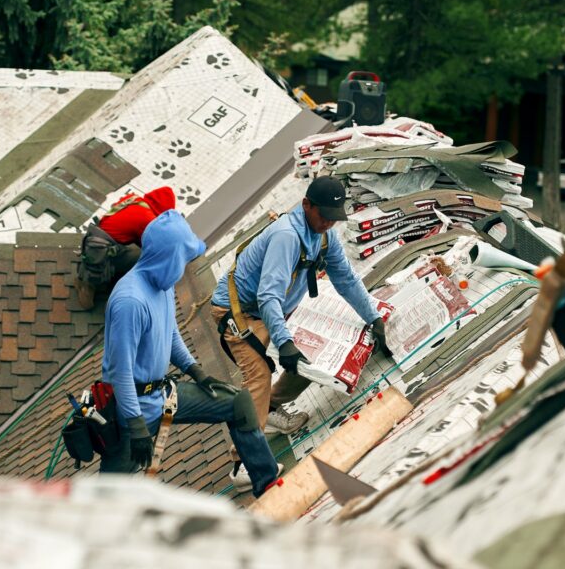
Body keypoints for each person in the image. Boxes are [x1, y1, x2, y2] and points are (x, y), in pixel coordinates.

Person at [210, 176, 386, 491]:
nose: (328, 223)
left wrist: (373, 318)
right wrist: (284, 342)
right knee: (258, 375)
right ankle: (243, 464)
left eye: (334, 218)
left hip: (272, 308)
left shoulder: (324, 235)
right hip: (239, 312)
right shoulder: (286, 236)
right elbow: (268, 296)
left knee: (312, 360)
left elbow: (346, 279)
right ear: (306, 205)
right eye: (323, 216)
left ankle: (270, 410)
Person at [100, 209, 281, 498]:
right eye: (182, 259)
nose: (184, 267)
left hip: (160, 394)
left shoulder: (162, 285)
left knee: (237, 403)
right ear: (169, 257)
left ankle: (268, 485)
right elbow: (121, 373)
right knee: (108, 494)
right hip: (130, 409)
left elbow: (170, 335)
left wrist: (196, 372)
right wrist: (135, 425)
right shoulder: (129, 302)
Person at [76, 186, 176, 309]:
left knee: (136, 250)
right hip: (101, 254)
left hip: (93, 242)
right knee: (146, 257)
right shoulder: (147, 218)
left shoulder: (133, 199)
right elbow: (153, 247)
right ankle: (86, 285)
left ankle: (107, 274)